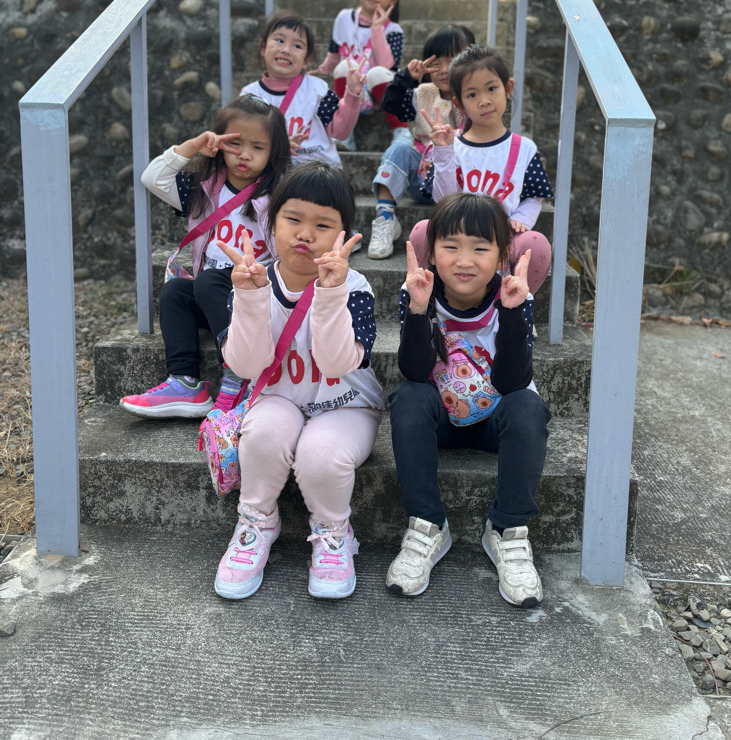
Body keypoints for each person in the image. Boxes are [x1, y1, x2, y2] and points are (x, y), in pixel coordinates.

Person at [214, 161, 383, 601]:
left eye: (323, 225)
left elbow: (335, 363)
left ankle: (334, 533)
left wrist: (330, 293)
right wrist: (249, 298)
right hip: (279, 398)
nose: (305, 234)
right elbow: (246, 365)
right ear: (272, 224)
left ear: (344, 235)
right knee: (263, 434)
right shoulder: (251, 280)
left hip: (347, 403)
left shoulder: (356, 288)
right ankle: (256, 522)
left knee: (320, 453)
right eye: (293, 219)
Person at [387, 193, 551, 605]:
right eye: (451, 246)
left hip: (496, 419)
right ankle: (427, 525)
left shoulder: (515, 295)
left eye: (480, 248)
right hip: (440, 420)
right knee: (408, 398)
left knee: (528, 406)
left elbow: (514, 382)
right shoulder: (418, 290)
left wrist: (511, 313)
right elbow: (415, 372)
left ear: (501, 256)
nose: (464, 261)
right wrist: (419, 310)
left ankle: (508, 530)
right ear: (432, 252)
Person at [120, 95, 291, 418]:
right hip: (214, 297)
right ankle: (184, 382)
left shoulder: (281, 196)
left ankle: (239, 371)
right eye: (235, 144)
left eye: (258, 147)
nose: (245, 154)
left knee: (209, 281)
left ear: (273, 153)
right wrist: (191, 147)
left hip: (260, 300)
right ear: (220, 143)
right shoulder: (202, 188)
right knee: (176, 291)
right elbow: (152, 178)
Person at [410, 45, 553, 296]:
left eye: (491, 88)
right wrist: (443, 152)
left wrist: (520, 220)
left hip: (502, 238)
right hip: (456, 236)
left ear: (508, 88)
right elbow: (442, 200)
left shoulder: (524, 148)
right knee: (422, 231)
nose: (484, 100)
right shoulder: (451, 145)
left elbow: (533, 197)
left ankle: (516, 304)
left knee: (536, 244)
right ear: (459, 103)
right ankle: (431, 297)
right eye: (472, 94)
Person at [367, 24, 475, 260]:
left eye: (453, 61)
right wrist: (407, 77)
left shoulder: (475, 96)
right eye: (437, 63)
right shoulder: (424, 93)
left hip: (460, 186)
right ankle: (385, 218)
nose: (444, 70)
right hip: (422, 179)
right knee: (399, 148)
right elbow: (390, 104)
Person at [240, 11, 364, 168]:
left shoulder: (317, 91)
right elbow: (245, 139)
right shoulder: (250, 95)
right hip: (273, 173)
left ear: (306, 60)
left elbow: (340, 132)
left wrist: (352, 94)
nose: (286, 50)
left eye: (297, 46)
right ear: (263, 48)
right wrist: (278, 148)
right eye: (279, 40)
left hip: (318, 172)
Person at [314, 0, 409, 152]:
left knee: (377, 73)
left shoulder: (393, 30)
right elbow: (334, 53)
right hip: (352, 92)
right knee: (344, 66)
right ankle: (344, 132)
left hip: (380, 94)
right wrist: (322, 71)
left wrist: (377, 29)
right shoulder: (343, 18)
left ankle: (402, 131)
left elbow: (387, 66)